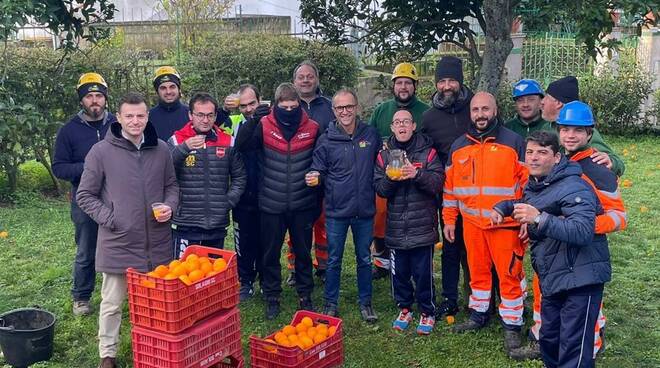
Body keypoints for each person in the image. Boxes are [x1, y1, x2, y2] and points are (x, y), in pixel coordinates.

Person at [509, 102, 627, 361]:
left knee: (579, 335)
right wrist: (535, 225)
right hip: (552, 259)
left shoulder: (598, 169)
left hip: (581, 261)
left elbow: (619, 218)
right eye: (565, 129)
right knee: (552, 328)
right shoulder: (555, 163)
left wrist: (577, 224)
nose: (570, 135)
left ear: (589, 134)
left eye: (577, 130)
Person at [76, 92, 179, 368]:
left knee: (156, 304)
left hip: (156, 242)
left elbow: (172, 186)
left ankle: (156, 348)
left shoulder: (161, 150)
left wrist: (170, 206)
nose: (135, 121)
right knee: (112, 304)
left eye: (141, 115)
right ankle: (107, 354)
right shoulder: (101, 152)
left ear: (148, 117)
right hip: (118, 241)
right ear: (118, 117)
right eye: (129, 116)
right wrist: (112, 218)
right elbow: (85, 195)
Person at [492, 130, 610, 368]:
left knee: (573, 350)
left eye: (542, 153)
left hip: (581, 279)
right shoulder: (537, 184)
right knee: (549, 341)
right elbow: (532, 204)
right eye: (530, 152)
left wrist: (539, 220)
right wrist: (504, 207)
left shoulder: (574, 186)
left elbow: (582, 231)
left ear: (557, 158)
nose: (534, 158)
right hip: (553, 276)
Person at [444, 92, 528, 352]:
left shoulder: (514, 142)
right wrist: (449, 220)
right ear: (470, 113)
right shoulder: (458, 146)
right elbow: (450, 189)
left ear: (495, 110)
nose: (480, 114)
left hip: (506, 226)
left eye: (485, 109)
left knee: (509, 276)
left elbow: (527, 185)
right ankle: (478, 315)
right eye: (475, 109)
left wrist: (526, 218)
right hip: (472, 225)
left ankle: (512, 325)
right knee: (478, 274)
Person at [235, 83, 321, 319]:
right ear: (275, 106)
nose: (290, 111)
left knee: (303, 253)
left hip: (302, 202)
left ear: (299, 105)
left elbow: (320, 163)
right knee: (270, 254)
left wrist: (317, 199)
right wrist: (253, 120)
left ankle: (306, 295)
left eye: (294, 107)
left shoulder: (313, 128)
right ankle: (272, 296)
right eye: (285, 107)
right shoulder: (263, 125)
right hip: (271, 203)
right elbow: (241, 146)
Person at [309, 89, 380, 322]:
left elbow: (382, 162)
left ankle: (366, 302)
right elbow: (317, 168)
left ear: (357, 107)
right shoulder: (325, 140)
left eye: (349, 106)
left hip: (365, 210)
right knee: (334, 259)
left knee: (364, 258)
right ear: (334, 111)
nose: (345, 112)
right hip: (337, 211)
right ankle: (330, 303)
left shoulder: (370, 135)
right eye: (340, 108)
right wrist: (314, 176)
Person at [52, 72, 117, 316]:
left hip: (116, 195)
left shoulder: (117, 125)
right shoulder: (69, 130)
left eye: (99, 95)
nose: (94, 101)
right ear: (82, 101)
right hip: (85, 198)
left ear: (105, 99)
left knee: (122, 243)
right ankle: (81, 296)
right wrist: (90, 167)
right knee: (86, 248)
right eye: (89, 96)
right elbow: (59, 167)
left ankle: (127, 291)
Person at [374, 109, 444, 335]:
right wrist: (390, 177)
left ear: (414, 125)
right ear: (392, 128)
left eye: (406, 121)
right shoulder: (383, 156)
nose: (401, 126)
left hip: (422, 226)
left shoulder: (429, 153)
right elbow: (381, 190)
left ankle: (427, 311)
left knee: (423, 273)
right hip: (395, 228)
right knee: (399, 273)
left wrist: (417, 175)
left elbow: (437, 184)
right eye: (397, 122)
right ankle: (404, 307)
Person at [421, 56, 474, 318]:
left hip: (479, 193)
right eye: (441, 81)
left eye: (451, 80)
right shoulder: (429, 117)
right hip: (448, 195)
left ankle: (479, 295)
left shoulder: (475, 110)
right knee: (451, 246)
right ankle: (450, 298)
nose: (446, 86)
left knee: (476, 248)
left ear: (460, 81)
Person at [369, 62, 431, 280]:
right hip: (387, 173)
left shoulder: (426, 112)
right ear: (393, 85)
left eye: (407, 83)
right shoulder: (381, 111)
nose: (403, 87)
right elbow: (371, 140)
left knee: (415, 221)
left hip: (416, 176)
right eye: (399, 83)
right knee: (381, 219)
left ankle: (416, 265)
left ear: (415, 85)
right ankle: (381, 262)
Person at [167, 92, 246, 258]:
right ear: (190, 115)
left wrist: (228, 201)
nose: (205, 120)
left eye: (210, 115)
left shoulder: (228, 141)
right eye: (200, 115)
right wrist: (183, 149)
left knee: (212, 275)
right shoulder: (176, 140)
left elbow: (240, 177)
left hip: (216, 223)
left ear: (216, 115)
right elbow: (165, 173)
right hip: (186, 222)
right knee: (185, 276)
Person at [285, 61, 333, 286]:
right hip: (296, 176)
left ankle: (323, 266)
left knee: (323, 223)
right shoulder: (288, 106)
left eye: (309, 76)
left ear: (317, 79)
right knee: (296, 227)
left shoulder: (330, 106)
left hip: (325, 176)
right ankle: (295, 268)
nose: (305, 80)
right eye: (301, 77)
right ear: (294, 81)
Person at [220, 84, 270, 301]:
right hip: (242, 195)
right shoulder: (234, 122)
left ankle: (265, 279)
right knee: (244, 242)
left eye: (252, 104)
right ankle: (246, 280)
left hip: (268, 193)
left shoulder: (270, 120)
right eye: (244, 105)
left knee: (267, 241)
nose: (249, 108)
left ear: (260, 101)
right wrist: (226, 109)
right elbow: (231, 141)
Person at [541, 76, 625, 176]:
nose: (541, 102)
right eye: (565, 130)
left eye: (546, 97)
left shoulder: (586, 132)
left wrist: (611, 161)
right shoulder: (547, 126)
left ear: (558, 103)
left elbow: (617, 163)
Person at [149, 66, 190, 141]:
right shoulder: (148, 118)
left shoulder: (192, 115)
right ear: (157, 92)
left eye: (172, 87)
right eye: (163, 88)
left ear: (179, 89)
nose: (168, 92)